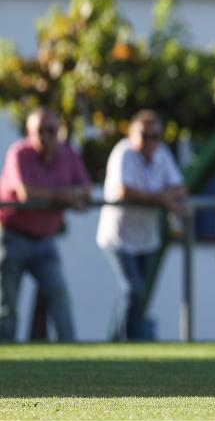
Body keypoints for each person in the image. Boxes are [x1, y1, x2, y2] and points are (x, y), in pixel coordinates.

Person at [0, 108, 91, 341]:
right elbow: (26, 194)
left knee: (59, 295)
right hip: (14, 238)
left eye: (52, 130)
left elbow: (85, 189)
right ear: (29, 132)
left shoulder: (67, 154)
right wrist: (62, 196)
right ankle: (7, 357)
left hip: (46, 240)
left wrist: (72, 195)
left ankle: (72, 354)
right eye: (40, 131)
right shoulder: (19, 153)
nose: (46, 136)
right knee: (7, 304)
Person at [96, 111, 185, 341]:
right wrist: (163, 198)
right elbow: (125, 191)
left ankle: (117, 342)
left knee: (137, 295)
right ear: (132, 134)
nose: (150, 141)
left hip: (147, 237)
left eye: (155, 136)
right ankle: (127, 343)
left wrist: (161, 196)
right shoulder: (123, 153)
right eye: (144, 135)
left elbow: (179, 188)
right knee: (131, 290)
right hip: (119, 237)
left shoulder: (162, 154)